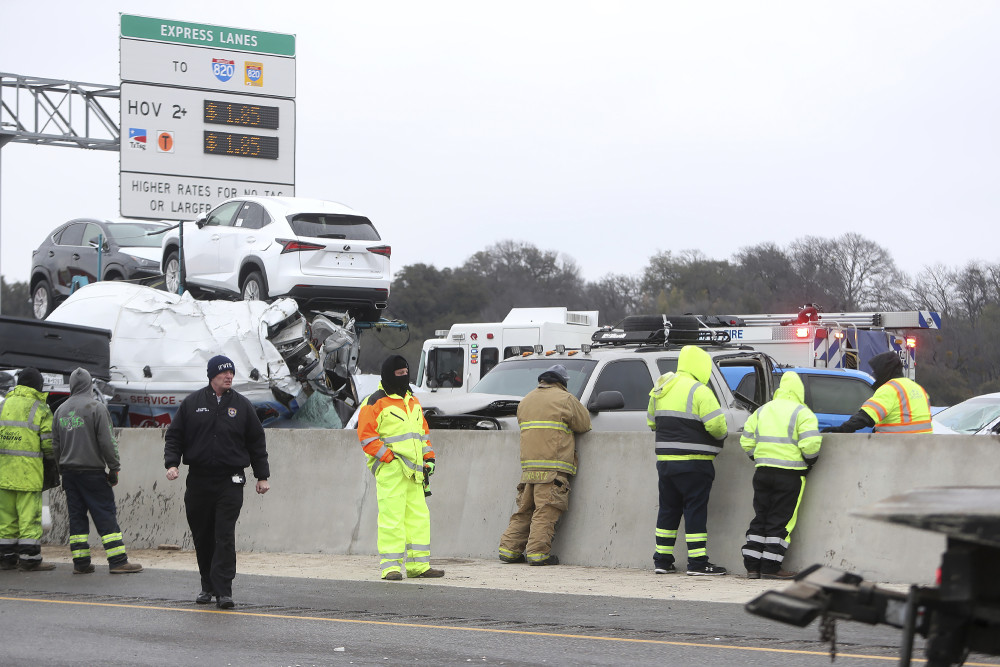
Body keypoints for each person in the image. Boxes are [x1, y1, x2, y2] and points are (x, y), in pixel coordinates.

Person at [164, 355, 270, 609]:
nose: (229, 376)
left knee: (224, 534)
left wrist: (262, 476)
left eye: (231, 373)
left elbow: (257, 442)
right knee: (203, 535)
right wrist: (172, 463)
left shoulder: (242, 406)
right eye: (224, 373)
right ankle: (207, 586)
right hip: (199, 479)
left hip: (230, 480)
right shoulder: (192, 403)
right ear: (212, 375)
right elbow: (175, 436)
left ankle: (224, 591)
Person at [357, 355, 443, 580]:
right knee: (391, 519)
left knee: (418, 518)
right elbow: (366, 436)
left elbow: (423, 435)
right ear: (388, 376)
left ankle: (419, 566)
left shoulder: (413, 401)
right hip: (392, 471)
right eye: (400, 375)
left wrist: (429, 459)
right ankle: (390, 567)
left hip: (416, 472)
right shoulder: (374, 402)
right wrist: (388, 459)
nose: (404, 378)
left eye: (406, 374)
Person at [498, 364, 592, 566]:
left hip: (529, 470)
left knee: (524, 511)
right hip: (553, 468)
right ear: (562, 382)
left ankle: (508, 550)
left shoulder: (526, 400)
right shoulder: (565, 399)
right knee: (546, 510)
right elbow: (584, 424)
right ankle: (538, 554)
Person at [647, 345, 729, 576]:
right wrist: (721, 437)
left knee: (668, 509)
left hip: (665, 462)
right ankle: (698, 563)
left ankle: (662, 561)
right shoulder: (700, 391)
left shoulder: (662, 388)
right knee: (695, 510)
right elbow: (717, 426)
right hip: (695, 463)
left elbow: (652, 422)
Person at [52, 367, 143, 574]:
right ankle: (118, 560)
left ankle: (81, 563)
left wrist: (61, 469)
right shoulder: (96, 408)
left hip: (69, 473)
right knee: (105, 514)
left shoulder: (60, 411)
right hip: (92, 472)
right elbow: (107, 442)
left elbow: (55, 446)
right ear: (89, 385)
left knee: (76, 518)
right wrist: (114, 467)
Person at [739, 371, 821, 580]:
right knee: (780, 520)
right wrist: (809, 461)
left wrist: (759, 458)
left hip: (763, 472)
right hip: (790, 475)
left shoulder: (762, 411)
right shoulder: (802, 413)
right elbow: (811, 445)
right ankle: (770, 567)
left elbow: (746, 441)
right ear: (799, 390)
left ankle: (752, 567)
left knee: (761, 517)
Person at [0, 368, 58, 571]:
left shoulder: (4, 404)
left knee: (6, 519)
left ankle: (6, 559)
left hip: (4, 474)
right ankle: (30, 560)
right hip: (28, 474)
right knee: (29, 520)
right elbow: (49, 444)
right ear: (38, 385)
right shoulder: (39, 408)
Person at [822, 351, 932, 434]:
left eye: (876, 371)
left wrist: (842, 429)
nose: (875, 374)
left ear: (884, 370)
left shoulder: (890, 389)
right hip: (921, 450)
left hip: (897, 448)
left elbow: (866, 416)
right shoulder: (918, 388)